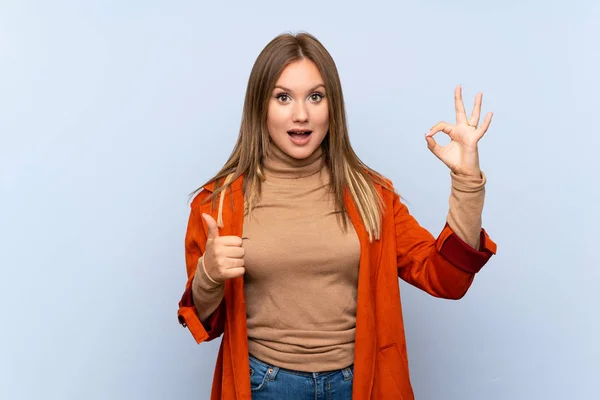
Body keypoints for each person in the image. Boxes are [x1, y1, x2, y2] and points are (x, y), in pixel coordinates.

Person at [176, 32, 497, 400]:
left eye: (316, 96)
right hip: (264, 386)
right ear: (260, 106)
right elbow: (203, 322)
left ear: (333, 106)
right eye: (283, 97)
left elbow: (447, 279)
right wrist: (209, 276)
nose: (301, 114)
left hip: (359, 385)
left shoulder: (372, 194)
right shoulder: (217, 203)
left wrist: (467, 182)